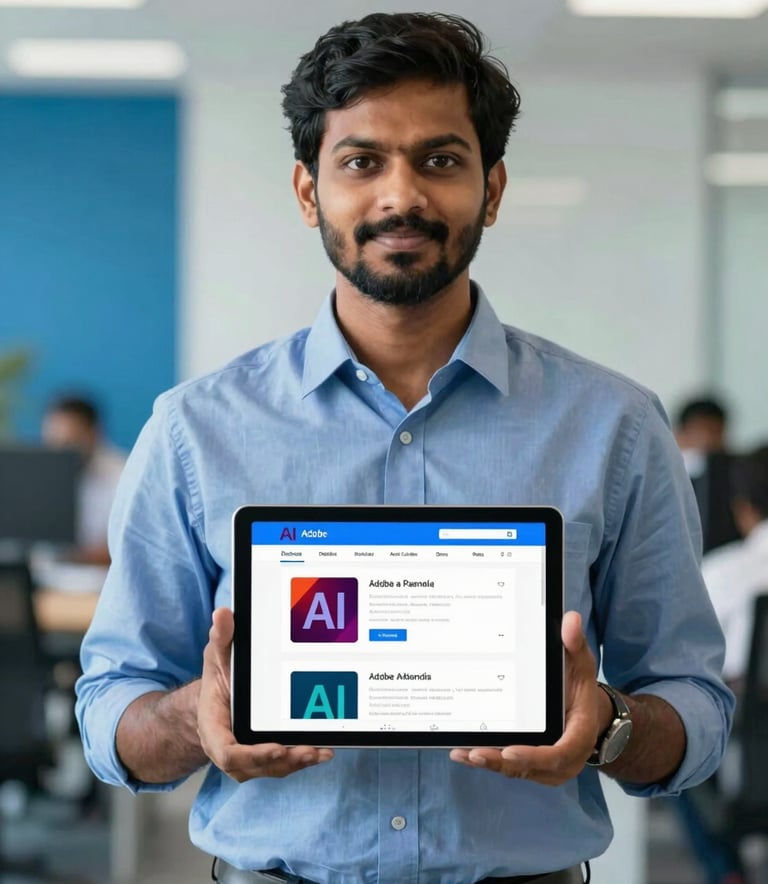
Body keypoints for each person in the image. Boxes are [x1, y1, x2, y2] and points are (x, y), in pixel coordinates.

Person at [75, 13, 734, 884]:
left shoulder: (614, 426)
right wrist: (197, 717)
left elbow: (694, 707)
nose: (401, 196)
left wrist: (606, 725)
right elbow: (109, 709)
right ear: (310, 191)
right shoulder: (194, 429)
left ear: (491, 189)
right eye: (361, 162)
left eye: (441, 160)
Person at [41, 394, 127, 567]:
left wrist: (72, 556)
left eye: (69, 443)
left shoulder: (123, 475)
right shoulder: (41, 475)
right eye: (53, 443)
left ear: (94, 433)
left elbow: (127, 548)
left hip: (98, 583)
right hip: (47, 579)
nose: (60, 453)